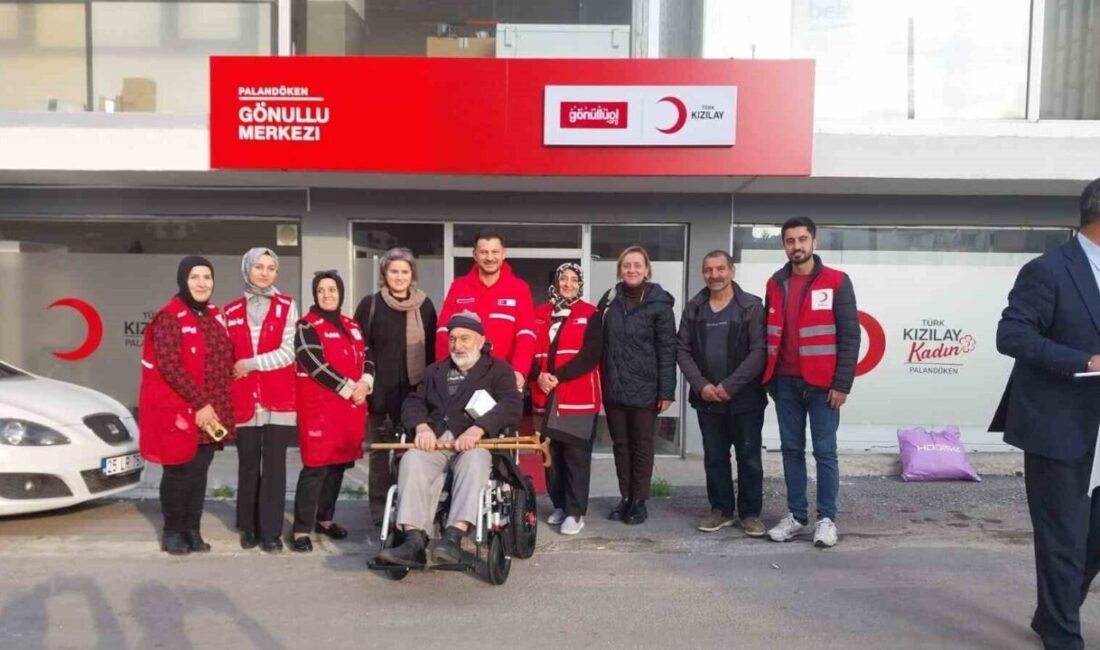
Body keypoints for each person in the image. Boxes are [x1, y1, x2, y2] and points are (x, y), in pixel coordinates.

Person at [991, 178, 1100, 650]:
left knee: (1091, 537)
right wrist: (1085, 361)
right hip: (1061, 426)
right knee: (1062, 539)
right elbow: (1011, 335)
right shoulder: (1050, 270)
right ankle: (1061, 635)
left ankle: (1051, 611)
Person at [376, 312, 524, 566]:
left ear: (480, 341)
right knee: (412, 459)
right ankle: (413, 540)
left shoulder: (498, 370)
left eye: (465, 339)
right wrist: (421, 427)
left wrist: (479, 429)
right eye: (453, 339)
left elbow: (511, 405)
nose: (458, 345)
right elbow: (413, 402)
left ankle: (453, 536)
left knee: (474, 461)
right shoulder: (435, 371)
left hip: (476, 442)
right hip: (436, 441)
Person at [761, 217, 859, 548]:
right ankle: (797, 516)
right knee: (791, 450)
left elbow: (850, 335)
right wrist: (770, 381)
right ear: (784, 245)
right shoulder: (775, 283)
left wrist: (842, 384)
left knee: (825, 452)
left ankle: (826, 519)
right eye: (790, 241)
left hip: (823, 386)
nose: (796, 246)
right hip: (785, 383)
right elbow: (768, 332)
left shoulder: (837, 281)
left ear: (813, 242)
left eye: (802, 239)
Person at [139, 256, 235, 555]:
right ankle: (173, 532)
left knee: (199, 471)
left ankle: (192, 529)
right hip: (183, 410)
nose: (202, 283)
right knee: (179, 471)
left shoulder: (214, 317)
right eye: (195, 277)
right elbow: (170, 366)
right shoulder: (169, 317)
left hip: (211, 412)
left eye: (207, 277)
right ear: (183, 280)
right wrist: (201, 404)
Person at [676, 250, 768, 537]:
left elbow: (759, 351)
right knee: (715, 457)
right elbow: (682, 350)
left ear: (732, 270)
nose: (714, 275)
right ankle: (721, 510)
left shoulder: (751, 306)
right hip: (707, 400)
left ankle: (750, 514)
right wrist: (702, 385)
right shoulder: (694, 308)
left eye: (720, 269)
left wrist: (729, 386)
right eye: (708, 270)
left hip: (746, 399)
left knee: (749, 457)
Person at [353, 247, 437, 526]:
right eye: (393, 271)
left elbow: (434, 352)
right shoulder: (371, 304)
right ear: (384, 274)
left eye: (404, 271)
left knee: (412, 451)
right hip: (380, 392)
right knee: (379, 452)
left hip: (415, 392)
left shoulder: (425, 306)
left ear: (412, 274)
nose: (399, 276)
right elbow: (361, 348)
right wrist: (365, 384)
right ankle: (379, 510)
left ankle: (407, 505)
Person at [224, 248, 298, 553]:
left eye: (271, 268)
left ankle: (271, 531)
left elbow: (289, 351)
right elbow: (225, 356)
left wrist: (250, 364)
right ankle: (249, 526)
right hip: (243, 399)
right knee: (248, 464)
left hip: (278, 398)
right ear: (247, 270)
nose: (265, 273)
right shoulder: (229, 311)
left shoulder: (287, 305)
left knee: (275, 467)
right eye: (259, 267)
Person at [289, 271, 368, 553]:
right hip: (320, 409)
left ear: (340, 293)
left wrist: (366, 383)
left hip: (348, 410)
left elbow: (366, 355)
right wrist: (348, 387)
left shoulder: (352, 324)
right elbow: (314, 364)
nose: (327, 294)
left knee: (336, 468)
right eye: (321, 290)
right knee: (316, 468)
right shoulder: (307, 326)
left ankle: (325, 519)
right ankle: (300, 529)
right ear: (315, 295)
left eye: (332, 289)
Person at [598, 245, 677, 526]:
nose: (632, 270)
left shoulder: (660, 304)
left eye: (637, 265)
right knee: (621, 446)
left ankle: (640, 500)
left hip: (646, 388)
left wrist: (667, 390)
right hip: (614, 386)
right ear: (620, 269)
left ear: (646, 270)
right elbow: (597, 341)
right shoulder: (609, 300)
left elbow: (668, 349)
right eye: (626, 265)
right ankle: (626, 497)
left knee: (642, 445)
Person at [533, 263, 603, 536]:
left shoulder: (591, 314)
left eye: (574, 280)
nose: (568, 284)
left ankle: (575, 512)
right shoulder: (539, 314)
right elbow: (528, 350)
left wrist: (557, 376)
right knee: (551, 457)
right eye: (563, 279)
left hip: (578, 399)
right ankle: (560, 505)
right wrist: (538, 376)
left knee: (575, 457)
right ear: (555, 282)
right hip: (544, 396)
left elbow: (590, 355)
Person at [435, 230, 536, 392]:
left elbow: (526, 334)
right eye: (484, 252)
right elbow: (443, 331)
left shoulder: (519, 288)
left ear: (504, 254)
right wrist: (443, 369)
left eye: (495, 252)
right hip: (463, 377)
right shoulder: (459, 287)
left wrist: (519, 371)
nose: (490, 258)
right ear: (475, 255)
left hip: (503, 378)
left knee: (502, 418)